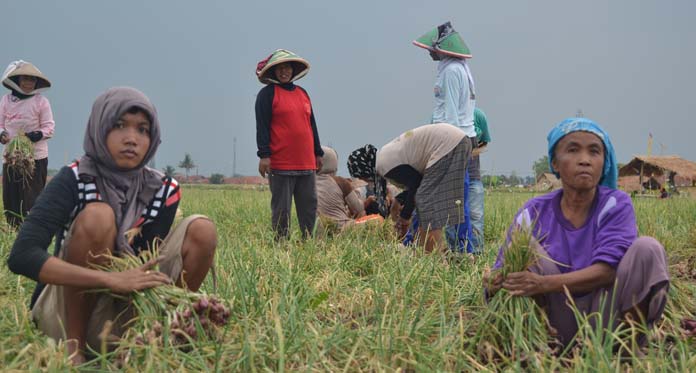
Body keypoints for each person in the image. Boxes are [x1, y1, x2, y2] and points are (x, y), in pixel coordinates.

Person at [6, 87, 218, 364]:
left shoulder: (163, 189)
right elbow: (21, 256)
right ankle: (75, 348)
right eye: (119, 126)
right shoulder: (74, 178)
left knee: (202, 229)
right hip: (65, 312)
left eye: (143, 130)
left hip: (127, 316)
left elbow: (147, 260)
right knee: (98, 217)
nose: (132, 138)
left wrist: (139, 290)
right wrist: (109, 279)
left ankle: (172, 332)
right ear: (99, 127)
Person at [483, 118, 669, 347]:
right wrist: (495, 280)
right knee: (527, 247)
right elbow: (501, 273)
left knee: (648, 249)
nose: (584, 160)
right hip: (556, 321)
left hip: (607, 318)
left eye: (594, 151)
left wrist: (542, 283)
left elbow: (607, 272)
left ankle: (625, 348)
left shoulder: (615, 204)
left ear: (604, 163)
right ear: (555, 163)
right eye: (573, 150)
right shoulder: (533, 212)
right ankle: (545, 347)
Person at [348, 123, 472, 253]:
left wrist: (404, 217)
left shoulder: (384, 164)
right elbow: (417, 186)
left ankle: (433, 254)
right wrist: (400, 203)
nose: (365, 181)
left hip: (447, 145)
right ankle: (436, 248)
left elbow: (416, 184)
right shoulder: (384, 157)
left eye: (362, 177)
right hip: (456, 141)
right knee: (434, 201)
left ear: (364, 168)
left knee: (428, 202)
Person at [413, 22, 478, 253]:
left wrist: (441, 145)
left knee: (430, 194)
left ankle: (419, 244)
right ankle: (464, 248)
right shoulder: (461, 68)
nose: (429, 52)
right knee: (458, 197)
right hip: (463, 138)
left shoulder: (451, 71)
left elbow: (450, 112)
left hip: (452, 139)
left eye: (432, 48)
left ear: (440, 47)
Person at [255, 49, 323, 240]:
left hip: (306, 162)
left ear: (293, 70)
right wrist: (264, 155)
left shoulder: (303, 94)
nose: (284, 72)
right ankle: (281, 245)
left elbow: (311, 125)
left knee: (309, 206)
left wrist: (317, 153)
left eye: (287, 68)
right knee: (281, 210)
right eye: (280, 69)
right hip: (281, 163)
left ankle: (310, 243)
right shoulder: (266, 95)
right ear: (273, 72)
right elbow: (262, 127)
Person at [0, 60, 55, 227]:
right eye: (25, 79)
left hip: (35, 159)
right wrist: (2, 134)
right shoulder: (6, 101)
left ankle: (31, 232)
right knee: (12, 199)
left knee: (32, 199)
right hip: (12, 158)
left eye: (32, 80)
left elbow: (49, 127)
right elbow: (0, 124)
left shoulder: (41, 102)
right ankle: (13, 232)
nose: (28, 83)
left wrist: (36, 135)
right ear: (17, 81)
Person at [315, 146, 366, 234]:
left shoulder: (307, 184)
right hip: (341, 229)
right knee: (372, 218)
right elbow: (358, 209)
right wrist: (357, 191)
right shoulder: (340, 181)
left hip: (317, 231)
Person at [468, 108, 492, 253]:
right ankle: (456, 251)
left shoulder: (478, 115)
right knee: (453, 217)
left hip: (472, 176)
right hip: (450, 176)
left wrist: (469, 153)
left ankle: (477, 253)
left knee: (476, 215)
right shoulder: (441, 115)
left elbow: (484, 142)